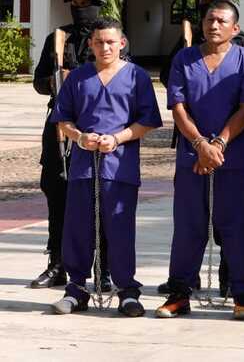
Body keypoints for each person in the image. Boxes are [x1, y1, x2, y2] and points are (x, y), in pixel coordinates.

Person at [155, 0, 244, 321]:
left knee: (237, 226)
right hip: (192, 154)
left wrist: (218, 144)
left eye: (221, 21)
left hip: (232, 155)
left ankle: (242, 295)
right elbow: (178, 107)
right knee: (188, 226)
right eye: (209, 20)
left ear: (235, 28)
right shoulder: (184, 58)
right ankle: (179, 293)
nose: (213, 25)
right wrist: (200, 144)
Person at [49, 17, 162, 316]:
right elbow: (62, 119)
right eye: (99, 42)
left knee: (120, 230)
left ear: (122, 43)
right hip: (83, 166)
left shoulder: (137, 76)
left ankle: (127, 291)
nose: (105, 47)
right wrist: (80, 137)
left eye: (111, 42)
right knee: (78, 229)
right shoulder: (78, 77)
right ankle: (76, 289)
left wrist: (118, 138)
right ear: (91, 44)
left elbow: (148, 121)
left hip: (120, 166)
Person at [31, 0, 111, 290]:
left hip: (98, 125)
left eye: (84, 4)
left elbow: (119, 75)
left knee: (100, 197)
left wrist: (76, 79)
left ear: (97, 7)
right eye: (74, 4)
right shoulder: (58, 38)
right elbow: (39, 82)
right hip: (59, 126)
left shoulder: (108, 39)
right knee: (58, 194)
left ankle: (103, 268)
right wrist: (54, 82)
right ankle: (57, 263)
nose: (79, 9)